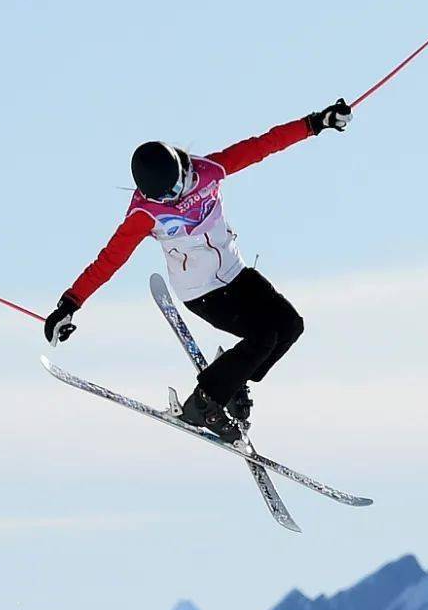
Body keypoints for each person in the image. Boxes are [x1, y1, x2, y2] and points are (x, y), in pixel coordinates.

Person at [43, 99, 353, 441]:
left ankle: (231, 383)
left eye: (178, 187)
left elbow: (264, 145)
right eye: (165, 197)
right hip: (203, 292)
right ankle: (203, 404)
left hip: (237, 274)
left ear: (182, 166)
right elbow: (109, 259)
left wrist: (315, 123)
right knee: (262, 337)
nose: (175, 198)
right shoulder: (144, 215)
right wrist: (70, 304)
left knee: (290, 326)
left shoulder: (209, 170)